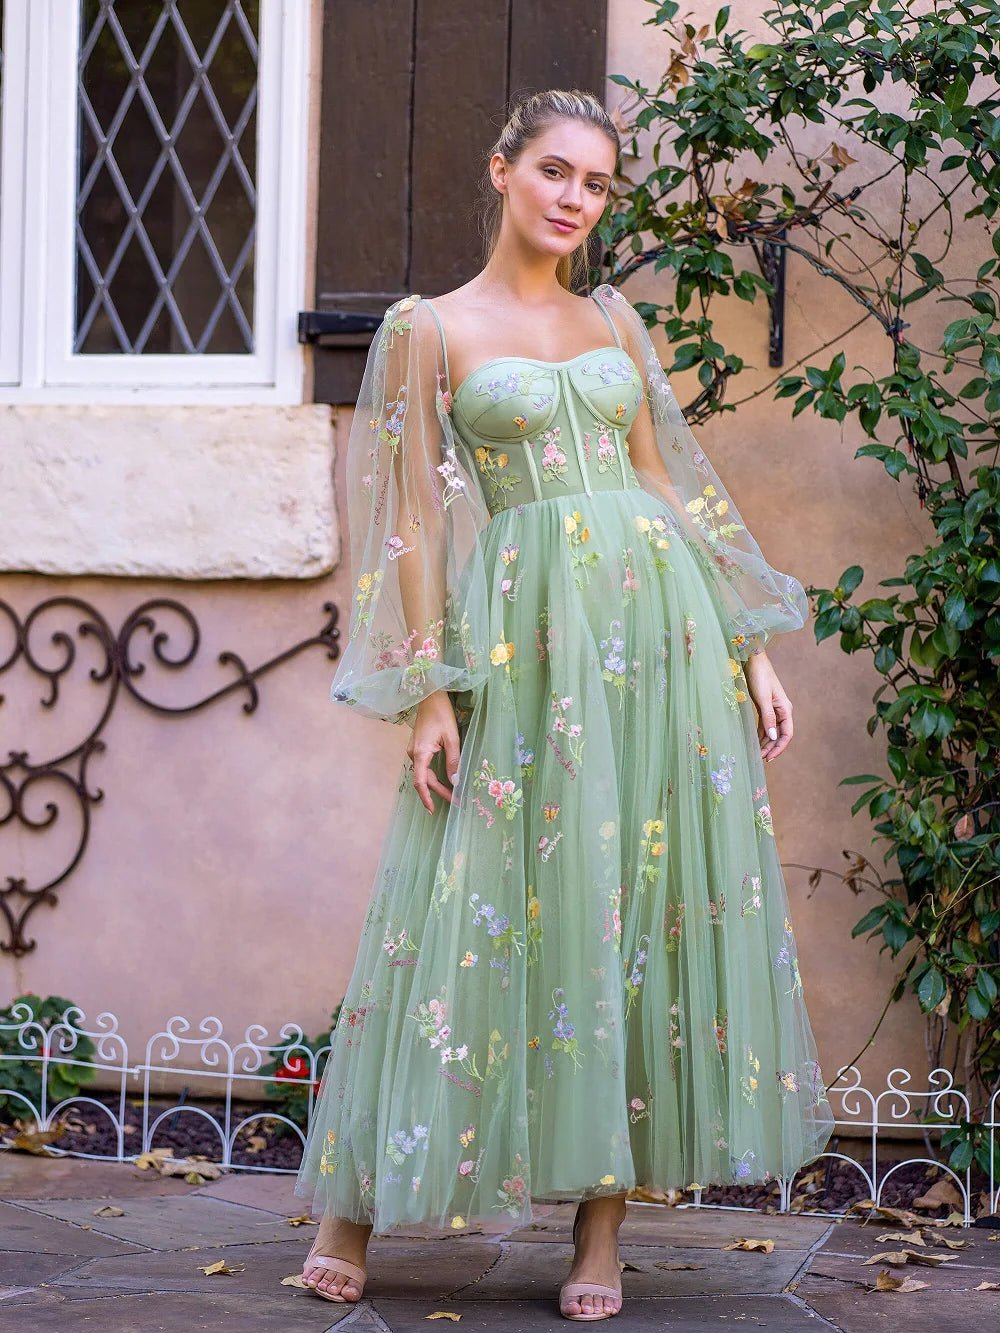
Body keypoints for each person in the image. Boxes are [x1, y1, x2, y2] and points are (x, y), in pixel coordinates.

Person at [295, 88, 835, 1322]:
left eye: (594, 184)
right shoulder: (429, 329)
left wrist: (748, 642)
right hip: (526, 638)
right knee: (459, 887)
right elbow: (416, 517)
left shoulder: (610, 316)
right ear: (501, 170)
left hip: (659, 635)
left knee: (630, 904)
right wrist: (428, 686)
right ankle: (350, 1207)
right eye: (553, 171)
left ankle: (600, 1233)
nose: (572, 199)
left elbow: (667, 478)